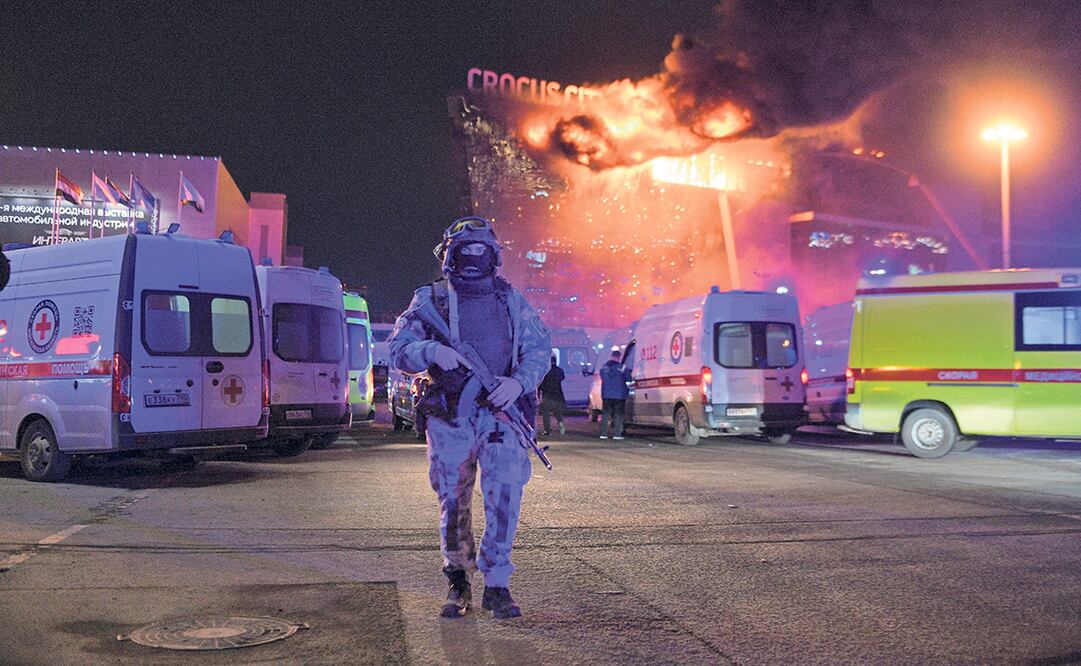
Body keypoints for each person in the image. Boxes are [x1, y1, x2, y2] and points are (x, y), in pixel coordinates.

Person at [388, 216, 552, 620]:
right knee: (452, 500)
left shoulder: (511, 300)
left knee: (505, 498)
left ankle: (497, 585)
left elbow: (539, 351)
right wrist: (431, 352)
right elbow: (397, 348)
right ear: (449, 256)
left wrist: (517, 384)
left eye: (481, 252)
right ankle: (457, 579)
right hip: (450, 417)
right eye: (465, 252)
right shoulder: (431, 300)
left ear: (493, 257)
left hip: (501, 416)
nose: (473, 259)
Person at [599, 349, 631, 440]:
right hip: (619, 395)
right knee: (618, 414)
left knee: (605, 414)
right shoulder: (623, 367)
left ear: (611, 356)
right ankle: (617, 434)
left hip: (606, 395)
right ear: (618, 357)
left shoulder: (603, 367)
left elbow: (603, 378)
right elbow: (628, 379)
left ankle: (603, 434)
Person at [538, 355, 566, 436]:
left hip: (547, 395)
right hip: (557, 395)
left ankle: (548, 430)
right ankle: (560, 423)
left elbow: (540, 383)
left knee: (545, 413)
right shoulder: (559, 370)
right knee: (557, 412)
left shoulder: (544, 371)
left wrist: (539, 392)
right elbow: (562, 377)